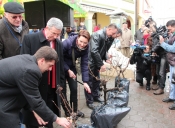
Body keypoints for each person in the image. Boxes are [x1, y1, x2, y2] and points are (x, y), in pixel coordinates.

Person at [0, 46, 72, 128]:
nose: (50, 69)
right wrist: (57, 119)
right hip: (4, 106)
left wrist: (33, 110)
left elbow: (26, 92)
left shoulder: (28, 59)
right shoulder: (30, 70)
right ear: (42, 60)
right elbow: (36, 101)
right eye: (50, 65)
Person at [20, 17, 65, 128]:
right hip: (35, 85)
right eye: (53, 33)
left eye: (58, 34)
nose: (55, 37)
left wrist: (61, 83)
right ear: (46, 28)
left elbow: (60, 65)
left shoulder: (58, 43)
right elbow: (24, 63)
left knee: (49, 117)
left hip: (51, 86)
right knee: (33, 119)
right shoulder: (30, 39)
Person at [86, 23, 119, 109]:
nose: (114, 36)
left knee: (97, 80)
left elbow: (104, 50)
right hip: (91, 62)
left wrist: (106, 57)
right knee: (89, 81)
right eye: (113, 33)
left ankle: (96, 96)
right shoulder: (97, 35)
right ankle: (89, 101)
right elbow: (94, 51)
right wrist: (101, 64)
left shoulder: (109, 37)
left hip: (97, 61)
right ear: (109, 29)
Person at [61, 30, 91, 117]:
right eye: (81, 41)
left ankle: (74, 111)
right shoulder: (67, 43)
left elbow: (84, 64)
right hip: (61, 67)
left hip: (72, 67)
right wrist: (67, 70)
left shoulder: (86, 47)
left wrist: (85, 82)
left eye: (85, 43)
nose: (82, 44)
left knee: (74, 89)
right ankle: (68, 112)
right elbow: (59, 58)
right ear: (77, 38)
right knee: (63, 92)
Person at [159, 20, 175, 110]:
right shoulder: (172, 35)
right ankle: (172, 97)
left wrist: (162, 43)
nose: (169, 31)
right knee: (172, 81)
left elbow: (173, 49)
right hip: (172, 62)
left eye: (170, 29)